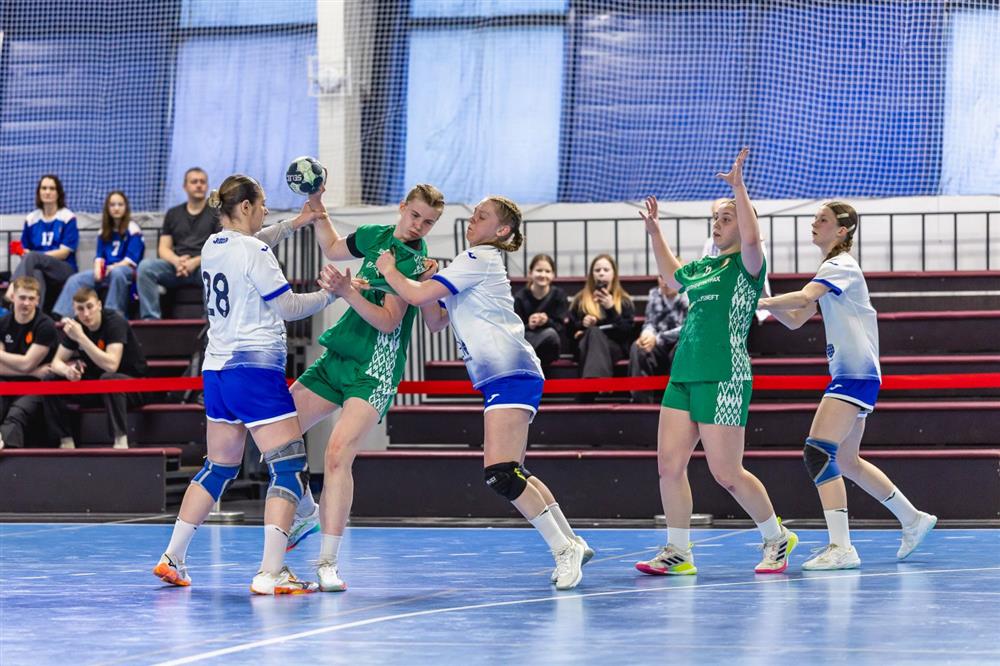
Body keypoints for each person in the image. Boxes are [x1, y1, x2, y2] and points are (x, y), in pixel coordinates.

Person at [375, 195, 591, 590]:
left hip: (510, 372)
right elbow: (435, 319)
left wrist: (389, 269)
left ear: (502, 230)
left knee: (500, 475)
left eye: (482, 216)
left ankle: (563, 549)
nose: (473, 220)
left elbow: (415, 296)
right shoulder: (472, 263)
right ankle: (571, 540)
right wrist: (427, 281)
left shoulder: (479, 257)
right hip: (506, 376)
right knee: (514, 472)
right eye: (474, 215)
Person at [152, 174, 337, 595]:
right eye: (263, 203)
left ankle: (172, 557)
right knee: (288, 467)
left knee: (218, 467)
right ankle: (271, 572)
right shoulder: (254, 251)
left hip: (216, 372)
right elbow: (288, 306)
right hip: (254, 369)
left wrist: (297, 223)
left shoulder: (212, 245)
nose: (267, 210)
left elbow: (257, 241)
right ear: (247, 206)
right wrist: (334, 294)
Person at [635, 148, 798, 576]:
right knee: (669, 466)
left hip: (725, 376)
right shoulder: (705, 266)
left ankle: (776, 537)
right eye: (717, 218)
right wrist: (655, 232)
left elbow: (752, 239)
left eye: (727, 218)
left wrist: (738, 189)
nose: (719, 223)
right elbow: (671, 277)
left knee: (727, 472)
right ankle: (678, 551)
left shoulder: (748, 266)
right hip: (684, 374)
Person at [281, 184, 445, 592]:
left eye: (428, 222)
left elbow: (388, 321)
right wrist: (318, 208)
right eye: (415, 215)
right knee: (276, 430)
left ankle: (327, 562)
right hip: (339, 354)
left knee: (337, 454)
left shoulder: (416, 264)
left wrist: (347, 291)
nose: (418, 226)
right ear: (402, 208)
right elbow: (333, 247)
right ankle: (306, 507)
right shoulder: (374, 235)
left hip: (375, 368)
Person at [758, 201, 937, 569]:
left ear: (842, 230)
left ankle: (841, 547)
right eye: (815, 218)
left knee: (817, 453)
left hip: (854, 374)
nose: (814, 223)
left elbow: (804, 298)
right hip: (857, 374)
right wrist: (765, 299)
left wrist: (756, 301)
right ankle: (913, 519)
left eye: (822, 219)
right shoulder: (830, 270)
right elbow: (795, 319)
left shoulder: (840, 266)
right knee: (846, 460)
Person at [47, 288, 148, 450]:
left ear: (99, 305)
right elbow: (56, 363)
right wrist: (68, 371)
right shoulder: (76, 325)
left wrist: (81, 338)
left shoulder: (115, 322)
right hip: (98, 386)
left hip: (131, 384)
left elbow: (111, 365)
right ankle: (66, 440)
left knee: (109, 379)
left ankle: (120, 441)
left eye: (90, 307)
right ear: (74, 309)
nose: (86, 314)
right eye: (80, 309)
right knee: (50, 379)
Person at [137, 167, 219, 319]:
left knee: (216, 269)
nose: (199, 185)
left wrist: (194, 262)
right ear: (185, 186)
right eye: (194, 182)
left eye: (202, 182)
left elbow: (219, 248)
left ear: (207, 186)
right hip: (177, 268)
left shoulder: (216, 213)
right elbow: (164, 248)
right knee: (145, 268)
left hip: (203, 267)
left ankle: (211, 323)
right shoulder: (173, 214)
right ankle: (151, 320)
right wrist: (177, 261)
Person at [53, 191, 145, 318]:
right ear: (107, 208)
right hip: (107, 270)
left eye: (120, 205)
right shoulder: (103, 231)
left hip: (126, 271)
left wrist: (112, 267)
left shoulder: (133, 229)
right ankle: (63, 316)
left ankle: (111, 314)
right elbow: (99, 255)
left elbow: (131, 260)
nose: (116, 208)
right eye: (112, 205)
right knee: (76, 279)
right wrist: (98, 269)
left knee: (117, 273)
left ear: (126, 207)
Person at [0, 277, 58, 450]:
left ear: (38, 300)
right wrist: (33, 371)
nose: (26, 303)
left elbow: (27, 363)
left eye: (31, 298)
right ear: (13, 297)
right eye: (22, 297)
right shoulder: (2, 323)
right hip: (7, 382)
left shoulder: (45, 325)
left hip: (36, 386)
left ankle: (7, 451)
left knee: (16, 413)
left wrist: (3, 356)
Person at [7, 175, 80, 310]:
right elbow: (25, 250)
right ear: (39, 192)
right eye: (44, 188)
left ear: (58, 193)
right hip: (39, 267)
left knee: (33, 258)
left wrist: (36, 257)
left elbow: (64, 253)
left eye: (52, 188)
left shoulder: (67, 216)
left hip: (63, 268)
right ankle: (34, 313)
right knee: (36, 273)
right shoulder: (31, 218)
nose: (47, 192)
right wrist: (25, 254)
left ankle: (13, 287)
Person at [567, 254, 635, 387]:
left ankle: (589, 389)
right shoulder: (580, 300)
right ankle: (601, 385)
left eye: (606, 270)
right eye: (597, 270)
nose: (601, 273)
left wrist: (611, 309)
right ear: (592, 275)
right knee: (593, 332)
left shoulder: (624, 301)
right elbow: (568, 332)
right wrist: (582, 324)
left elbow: (627, 333)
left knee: (595, 332)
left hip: (613, 348)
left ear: (614, 274)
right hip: (584, 347)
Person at [628, 276, 687, 403]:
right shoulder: (655, 294)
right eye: (661, 276)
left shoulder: (689, 294)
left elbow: (688, 328)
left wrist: (658, 338)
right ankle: (641, 402)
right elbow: (650, 322)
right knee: (638, 347)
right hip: (659, 346)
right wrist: (647, 334)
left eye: (670, 276)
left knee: (683, 347)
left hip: (679, 343)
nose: (665, 281)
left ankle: (677, 401)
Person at [513, 254, 568, 368]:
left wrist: (547, 321)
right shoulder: (520, 297)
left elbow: (561, 327)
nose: (543, 275)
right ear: (530, 273)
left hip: (550, 347)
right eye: (539, 270)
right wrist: (530, 325)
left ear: (553, 275)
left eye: (547, 271)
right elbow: (515, 329)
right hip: (528, 339)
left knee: (550, 334)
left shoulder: (559, 295)